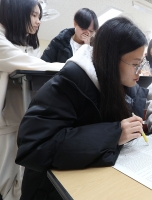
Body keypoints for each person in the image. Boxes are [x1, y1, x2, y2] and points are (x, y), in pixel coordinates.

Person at [15, 17, 148, 200]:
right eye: (135, 64)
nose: (140, 71)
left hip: (98, 184)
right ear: (111, 60)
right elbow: (35, 147)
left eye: (141, 63)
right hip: (52, 190)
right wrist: (114, 134)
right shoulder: (70, 81)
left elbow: (136, 108)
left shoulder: (125, 85)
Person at [0, 0, 64, 199]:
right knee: (6, 180)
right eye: (35, 15)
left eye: (40, 17)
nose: (38, 22)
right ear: (19, 12)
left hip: (20, 118)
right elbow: (31, 65)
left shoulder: (21, 42)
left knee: (20, 176)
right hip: (6, 122)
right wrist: (72, 66)